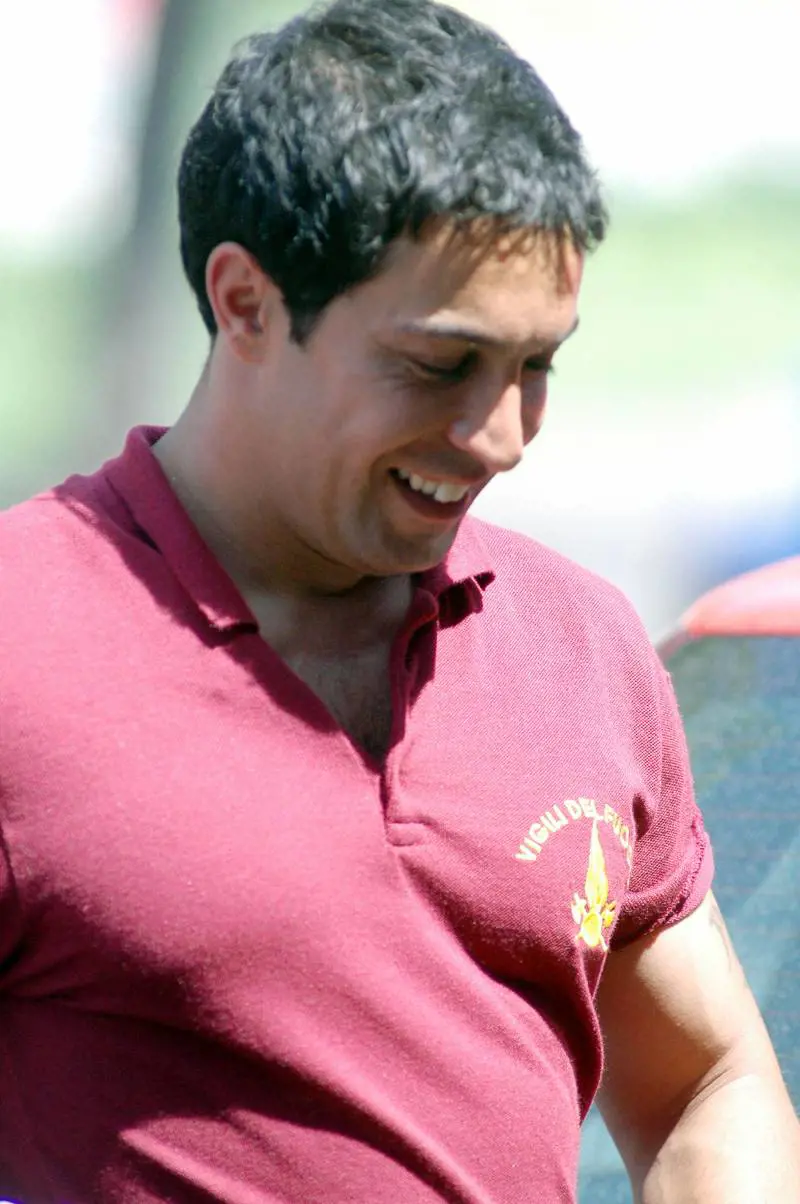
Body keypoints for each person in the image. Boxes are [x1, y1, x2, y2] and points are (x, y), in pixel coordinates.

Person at [0, 0, 796, 1200]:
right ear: (245, 301)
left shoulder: (583, 644)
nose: (501, 434)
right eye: (440, 366)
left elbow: (703, 1084)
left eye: (536, 366)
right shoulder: (21, 645)